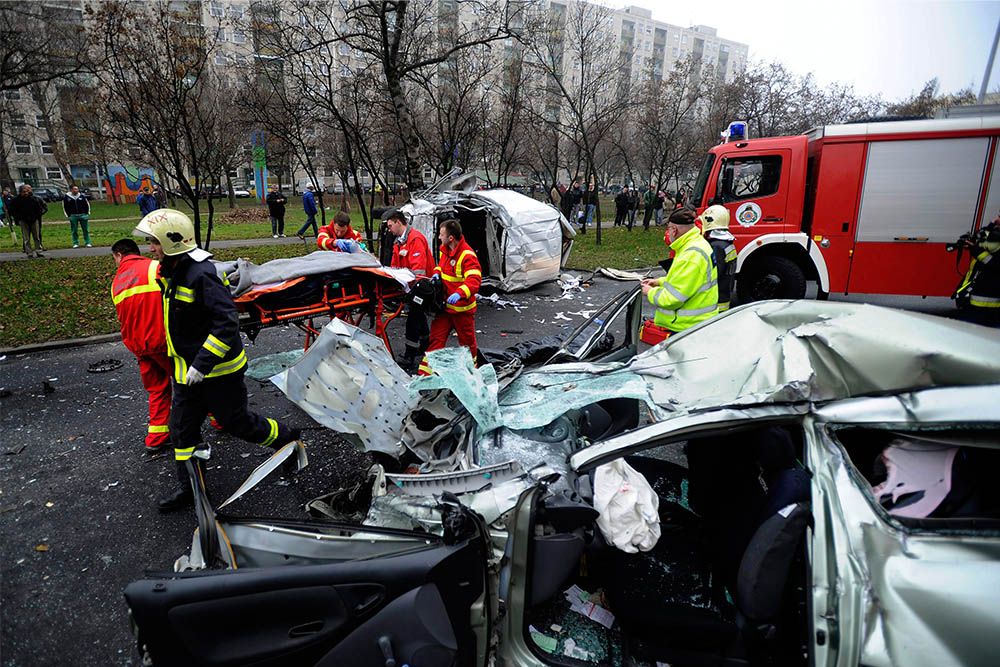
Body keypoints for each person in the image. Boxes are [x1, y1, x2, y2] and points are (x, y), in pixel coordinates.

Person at [134, 209, 300, 512]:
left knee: (236, 422)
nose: (150, 248)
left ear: (171, 242)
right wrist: (189, 368)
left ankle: (287, 440)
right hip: (187, 374)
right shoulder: (172, 271)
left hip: (219, 373)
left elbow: (226, 324)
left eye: (154, 242)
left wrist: (202, 364)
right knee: (182, 431)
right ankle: (192, 488)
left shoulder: (203, 275)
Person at [111, 239, 172, 453]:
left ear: (118, 255)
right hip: (161, 340)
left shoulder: (116, 282)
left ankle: (156, 437)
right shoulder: (154, 267)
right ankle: (219, 420)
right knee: (192, 383)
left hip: (138, 345)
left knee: (157, 388)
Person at [418, 219, 482, 375]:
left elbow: (474, 280)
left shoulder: (467, 255)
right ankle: (425, 376)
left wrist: (459, 293)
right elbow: (442, 266)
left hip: (462, 311)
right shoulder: (445, 250)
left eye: (441, 234)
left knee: (467, 345)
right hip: (445, 308)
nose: (439, 237)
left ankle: (472, 374)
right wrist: (436, 273)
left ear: (451, 238)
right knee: (436, 339)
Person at [641, 208, 718, 335]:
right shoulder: (696, 244)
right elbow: (688, 282)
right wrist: (659, 282)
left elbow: (673, 299)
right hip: (697, 323)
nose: (668, 233)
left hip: (687, 326)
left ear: (674, 230)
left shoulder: (690, 256)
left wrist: (649, 292)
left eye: (668, 229)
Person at [387, 211, 435, 372]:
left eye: (390, 225)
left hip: (422, 286)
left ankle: (410, 355)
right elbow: (395, 266)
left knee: (413, 318)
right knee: (418, 314)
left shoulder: (415, 239)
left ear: (398, 222)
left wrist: (410, 286)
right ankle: (425, 342)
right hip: (411, 285)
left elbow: (419, 270)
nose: (389, 229)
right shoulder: (398, 243)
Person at [953, 215, 1000, 327]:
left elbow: (993, 263)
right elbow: (983, 237)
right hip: (979, 302)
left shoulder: (995, 242)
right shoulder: (993, 233)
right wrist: (992, 224)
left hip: (987, 305)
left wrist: (975, 249)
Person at [699, 205, 737, 311]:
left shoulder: (716, 246)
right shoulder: (727, 243)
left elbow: (712, 274)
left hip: (715, 301)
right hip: (724, 295)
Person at [8, 184, 47, 258]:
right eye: (24, 192)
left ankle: (38, 250)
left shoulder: (33, 199)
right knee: (26, 238)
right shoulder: (16, 200)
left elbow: (39, 208)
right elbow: (13, 211)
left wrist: (37, 216)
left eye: (27, 191)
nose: (26, 193)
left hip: (34, 219)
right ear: (20, 192)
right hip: (23, 220)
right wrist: (18, 218)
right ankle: (29, 252)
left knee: (37, 236)